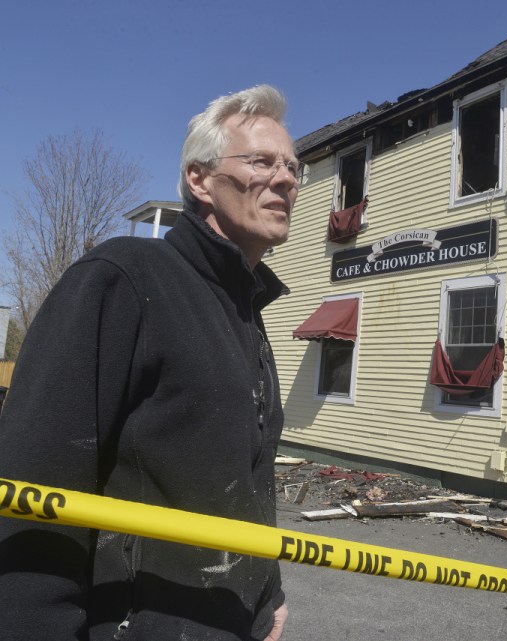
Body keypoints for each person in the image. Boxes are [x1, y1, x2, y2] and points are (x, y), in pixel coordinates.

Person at [0, 85, 298, 640]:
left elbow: (246, 481)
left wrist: (267, 598)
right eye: (261, 161)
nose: (285, 178)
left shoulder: (246, 315)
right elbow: (33, 487)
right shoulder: (124, 279)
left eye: (291, 166)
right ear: (199, 179)